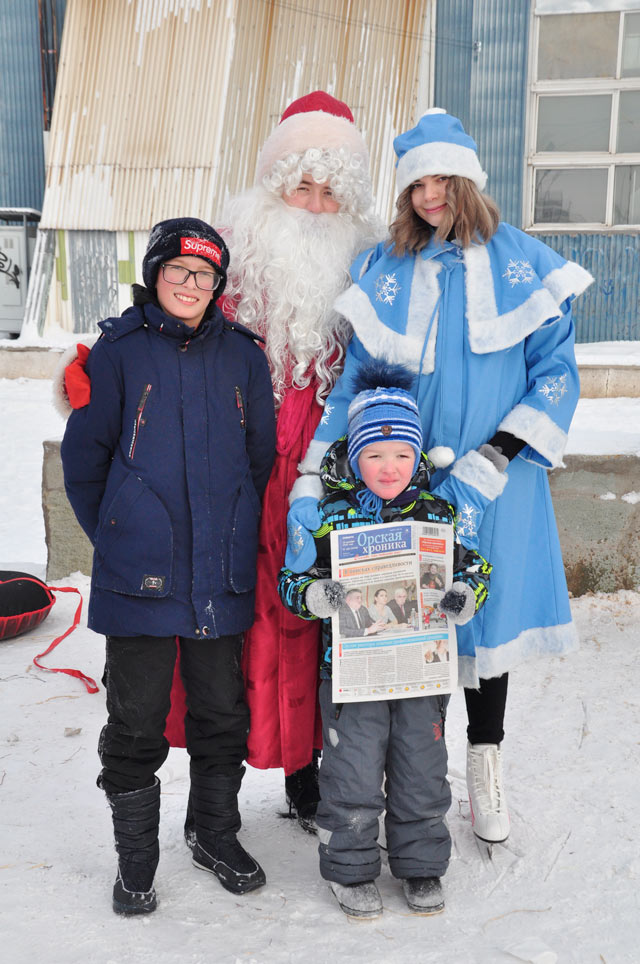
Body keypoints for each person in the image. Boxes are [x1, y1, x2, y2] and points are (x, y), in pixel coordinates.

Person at [58, 92, 383, 837]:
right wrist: (91, 369)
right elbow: (163, 324)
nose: (315, 204)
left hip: (326, 471)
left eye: (332, 191)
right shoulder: (230, 254)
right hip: (227, 475)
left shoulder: (367, 269)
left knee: (316, 618)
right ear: (274, 187)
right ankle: (212, 802)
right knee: (223, 633)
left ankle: (310, 769)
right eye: (302, 185)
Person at [287, 109, 593, 845]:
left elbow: (556, 375)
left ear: (469, 180)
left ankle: (484, 763)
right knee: (414, 618)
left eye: (441, 179)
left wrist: (500, 455)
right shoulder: (384, 270)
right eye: (417, 183)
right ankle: (410, 768)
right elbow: (354, 377)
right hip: (404, 484)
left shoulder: (527, 263)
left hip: (501, 480)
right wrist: (315, 470)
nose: (430, 195)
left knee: (487, 619)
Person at [60, 219, 276, 915]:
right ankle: (137, 859)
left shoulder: (243, 355)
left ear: (219, 287)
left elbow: (260, 457)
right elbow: (84, 462)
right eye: (179, 272)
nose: (190, 286)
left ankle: (214, 832)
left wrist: (236, 522)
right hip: (140, 576)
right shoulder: (117, 352)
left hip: (220, 568)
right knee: (137, 721)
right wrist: (124, 532)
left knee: (221, 712)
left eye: (205, 276)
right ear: (155, 274)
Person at [278, 366, 492, 918]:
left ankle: (421, 865)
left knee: (421, 765)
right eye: (375, 455)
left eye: (401, 454)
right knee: (350, 771)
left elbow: (472, 567)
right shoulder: (328, 520)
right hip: (352, 672)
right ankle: (349, 868)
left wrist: (465, 593)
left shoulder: (437, 515)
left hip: (420, 667)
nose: (389, 467)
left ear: (417, 457)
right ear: (354, 459)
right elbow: (292, 581)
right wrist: (316, 594)